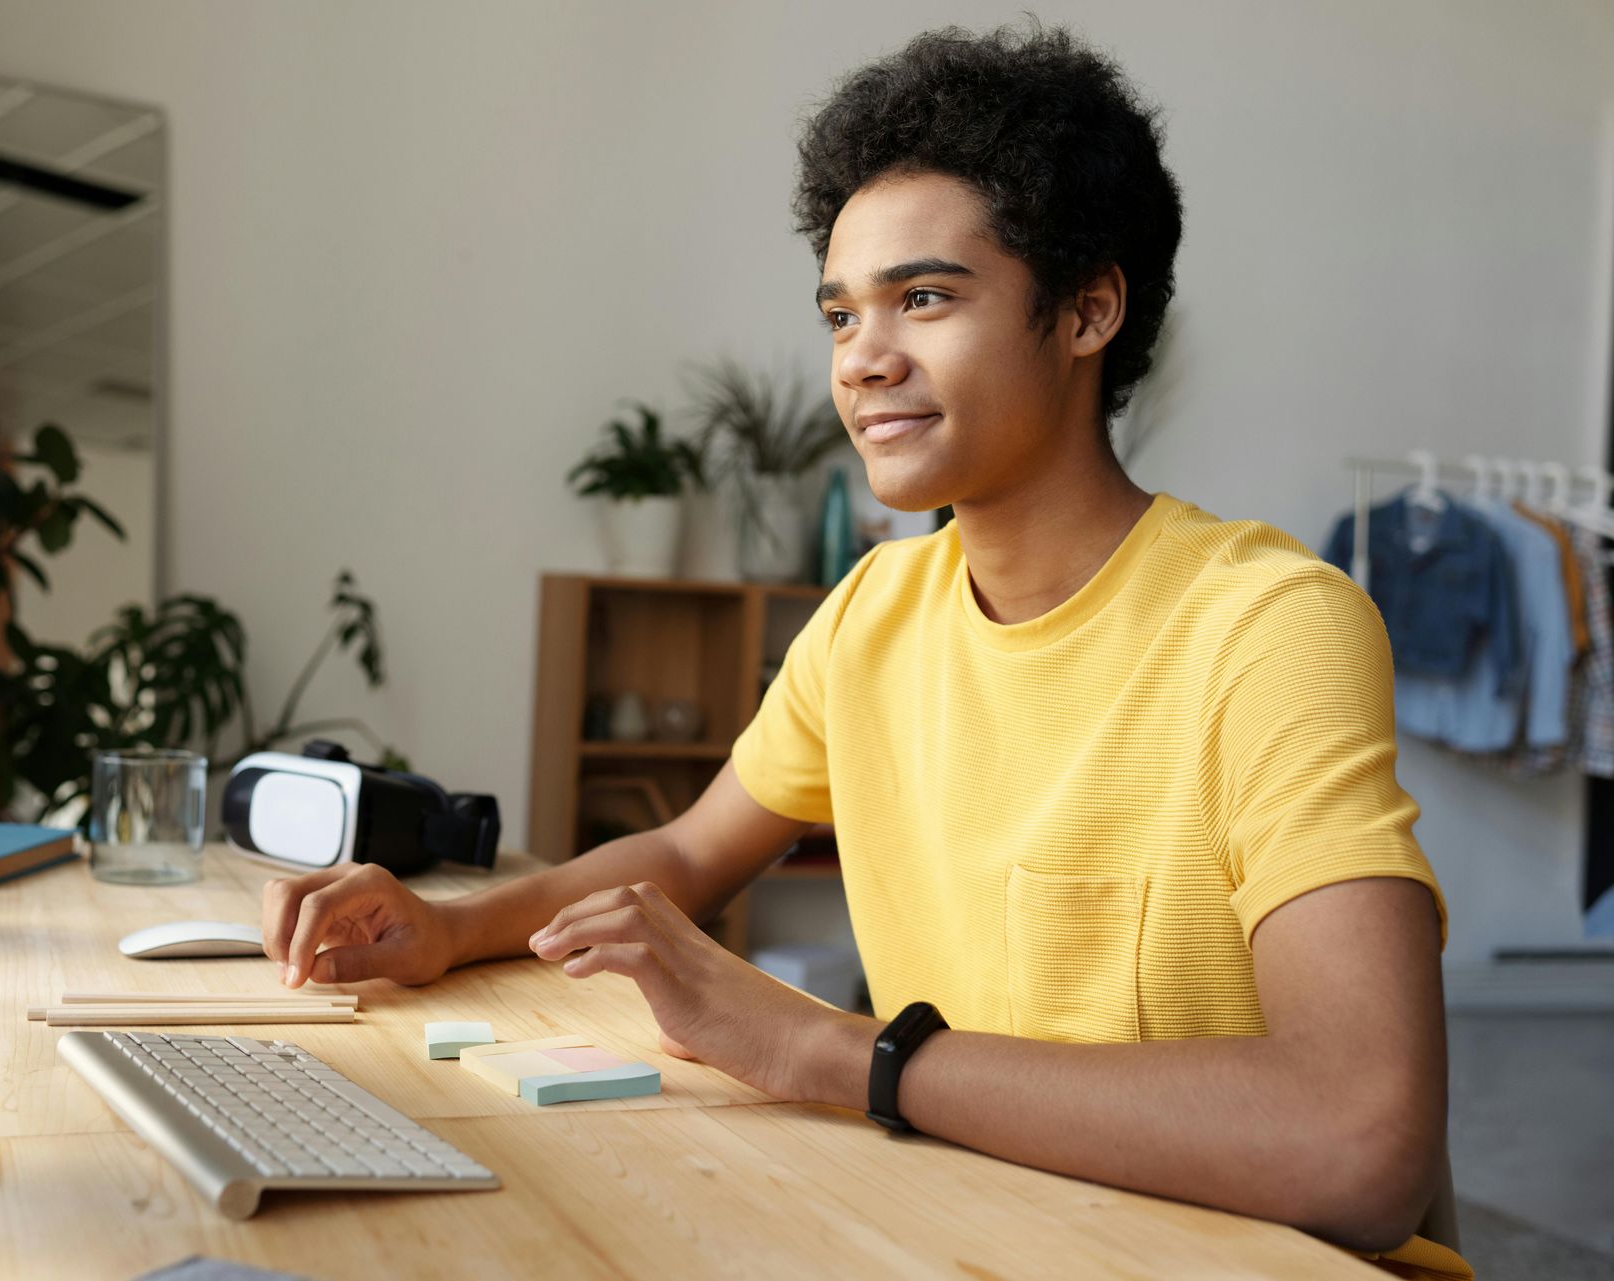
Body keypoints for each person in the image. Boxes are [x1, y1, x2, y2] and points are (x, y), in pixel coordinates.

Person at [261, 24, 1468, 1280]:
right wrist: (455, 931)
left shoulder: (1267, 624)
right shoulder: (874, 610)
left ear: (1089, 311)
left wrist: (832, 1052)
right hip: (964, 1230)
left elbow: (1361, 1140)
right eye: (842, 311)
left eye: (926, 298)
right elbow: (685, 852)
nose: (863, 358)